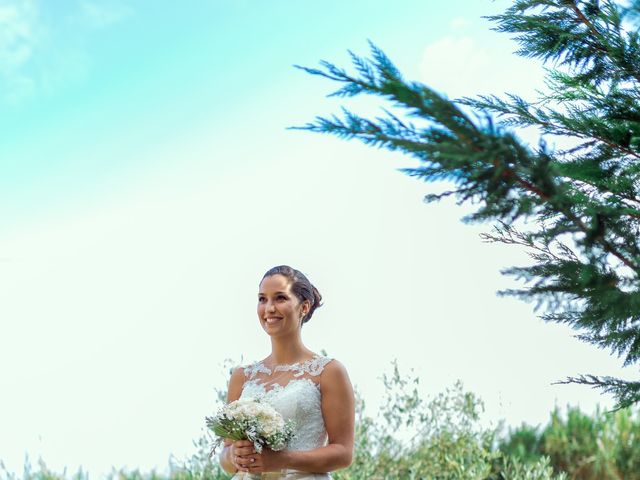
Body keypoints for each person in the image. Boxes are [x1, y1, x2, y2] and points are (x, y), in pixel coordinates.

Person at [219, 265, 355, 480]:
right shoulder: (242, 377)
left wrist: (281, 460)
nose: (269, 308)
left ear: (304, 307)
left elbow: (343, 453)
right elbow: (226, 456)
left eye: (280, 298)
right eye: (262, 299)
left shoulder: (328, 372)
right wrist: (234, 456)